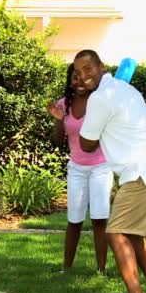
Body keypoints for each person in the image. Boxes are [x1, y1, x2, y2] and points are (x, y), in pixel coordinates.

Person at [75, 50, 146, 293]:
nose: (83, 76)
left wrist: (88, 107)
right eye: (77, 73)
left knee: (115, 232)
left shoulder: (100, 98)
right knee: (132, 234)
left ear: (101, 67)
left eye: (88, 69)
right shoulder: (123, 87)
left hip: (144, 169)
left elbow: (87, 145)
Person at [47, 63, 112, 273]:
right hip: (76, 168)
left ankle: (101, 270)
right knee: (74, 220)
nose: (79, 81)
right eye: (74, 77)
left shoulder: (101, 102)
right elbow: (58, 141)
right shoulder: (63, 104)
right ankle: (66, 268)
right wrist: (58, 121)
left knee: (99, 219)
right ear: (70, 81)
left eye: (83, 76)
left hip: (101, 167)